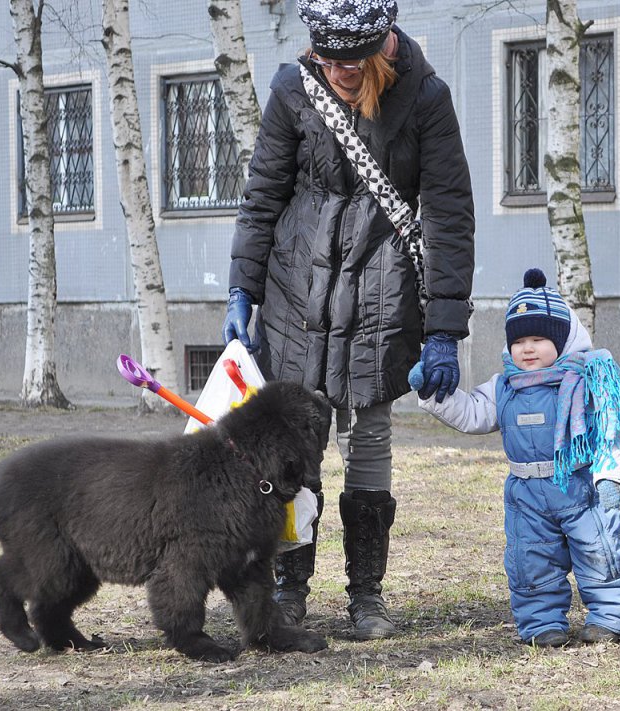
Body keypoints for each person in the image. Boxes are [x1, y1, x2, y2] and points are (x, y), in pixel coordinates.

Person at [222, 0, 475, 640]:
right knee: (292, 450)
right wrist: (241, 289)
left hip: (383, 291)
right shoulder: (293, 89)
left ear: (381, 44)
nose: (336, 71)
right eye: (326, 58)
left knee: (371, 439)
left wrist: (444, 328)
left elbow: (448, 215)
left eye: (350, 59)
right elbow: (261, 199)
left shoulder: (426, 99)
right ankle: (289, 592)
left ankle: (367, 596)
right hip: (294, 292)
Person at [411, 268, 620, 647]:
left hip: (580, 488)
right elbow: (471, 414)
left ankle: (611, 616)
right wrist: (436, 394)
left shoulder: (586, 380)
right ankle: (541, 623)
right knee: (530, 559)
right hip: (527, 495)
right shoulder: (504, 388)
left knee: (601, 550)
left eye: (538, 339)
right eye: (519, 341)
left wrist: (612, 476)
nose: (528, 348)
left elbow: (611, 433)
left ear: (563, 340)